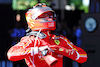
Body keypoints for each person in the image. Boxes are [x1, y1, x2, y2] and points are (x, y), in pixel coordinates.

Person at [7, 3, 87, 67]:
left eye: (50, 16)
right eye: (44, 16)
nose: (49, 18)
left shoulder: (60, 40)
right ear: (33, 19)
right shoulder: (31, 40)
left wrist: (60, 50)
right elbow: (11, 54)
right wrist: (38, 50)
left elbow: (83, 57)